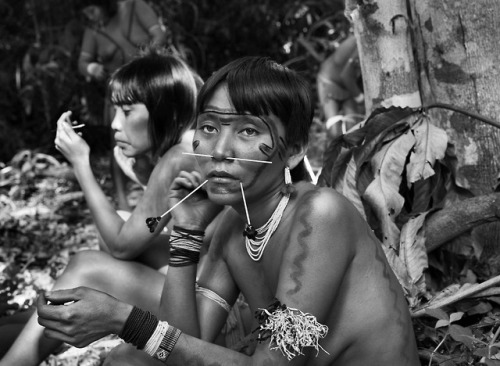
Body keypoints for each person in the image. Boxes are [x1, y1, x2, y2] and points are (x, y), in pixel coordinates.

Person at [31, 56, 420, 365]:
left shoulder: (320, 214)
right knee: (129, 360)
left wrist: (122, 318)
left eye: (248, 131)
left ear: (295, 149)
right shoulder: (236, 227)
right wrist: (185, 233)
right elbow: (184, 344)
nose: (218, 151)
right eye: (211, 127)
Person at [0, 47, 207, 365]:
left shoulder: (178, 159)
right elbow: (126, 234)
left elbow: (121, 247)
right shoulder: (186, 147)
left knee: (86, 266)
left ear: (163, 112)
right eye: (115, 111)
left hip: (212, 309)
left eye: (127, 112)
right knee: (119, 221)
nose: (114, 124)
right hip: (196, 280)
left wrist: (80, 163)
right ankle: (36, 332)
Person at [78, 0, 169, 210]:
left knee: (161, 137)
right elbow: (82, 62)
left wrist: (143, 64)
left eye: (92, 8)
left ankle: (161, 194)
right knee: (117, 143)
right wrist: (92, 68)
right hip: (118, 93)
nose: (90, 15)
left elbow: (160, 35)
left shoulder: (135, 7)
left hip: (149, 86)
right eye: (85, 11)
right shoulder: (93, 30)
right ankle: (122, 200)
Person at [317, 34, 364, 139]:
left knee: (353, 128)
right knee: (334, 130)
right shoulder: (359, 41)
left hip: (347, 87)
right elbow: (346, 75)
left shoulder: (364, 42)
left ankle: (352, 153)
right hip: (328, 84)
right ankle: (337, 153)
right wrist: (360, 99)